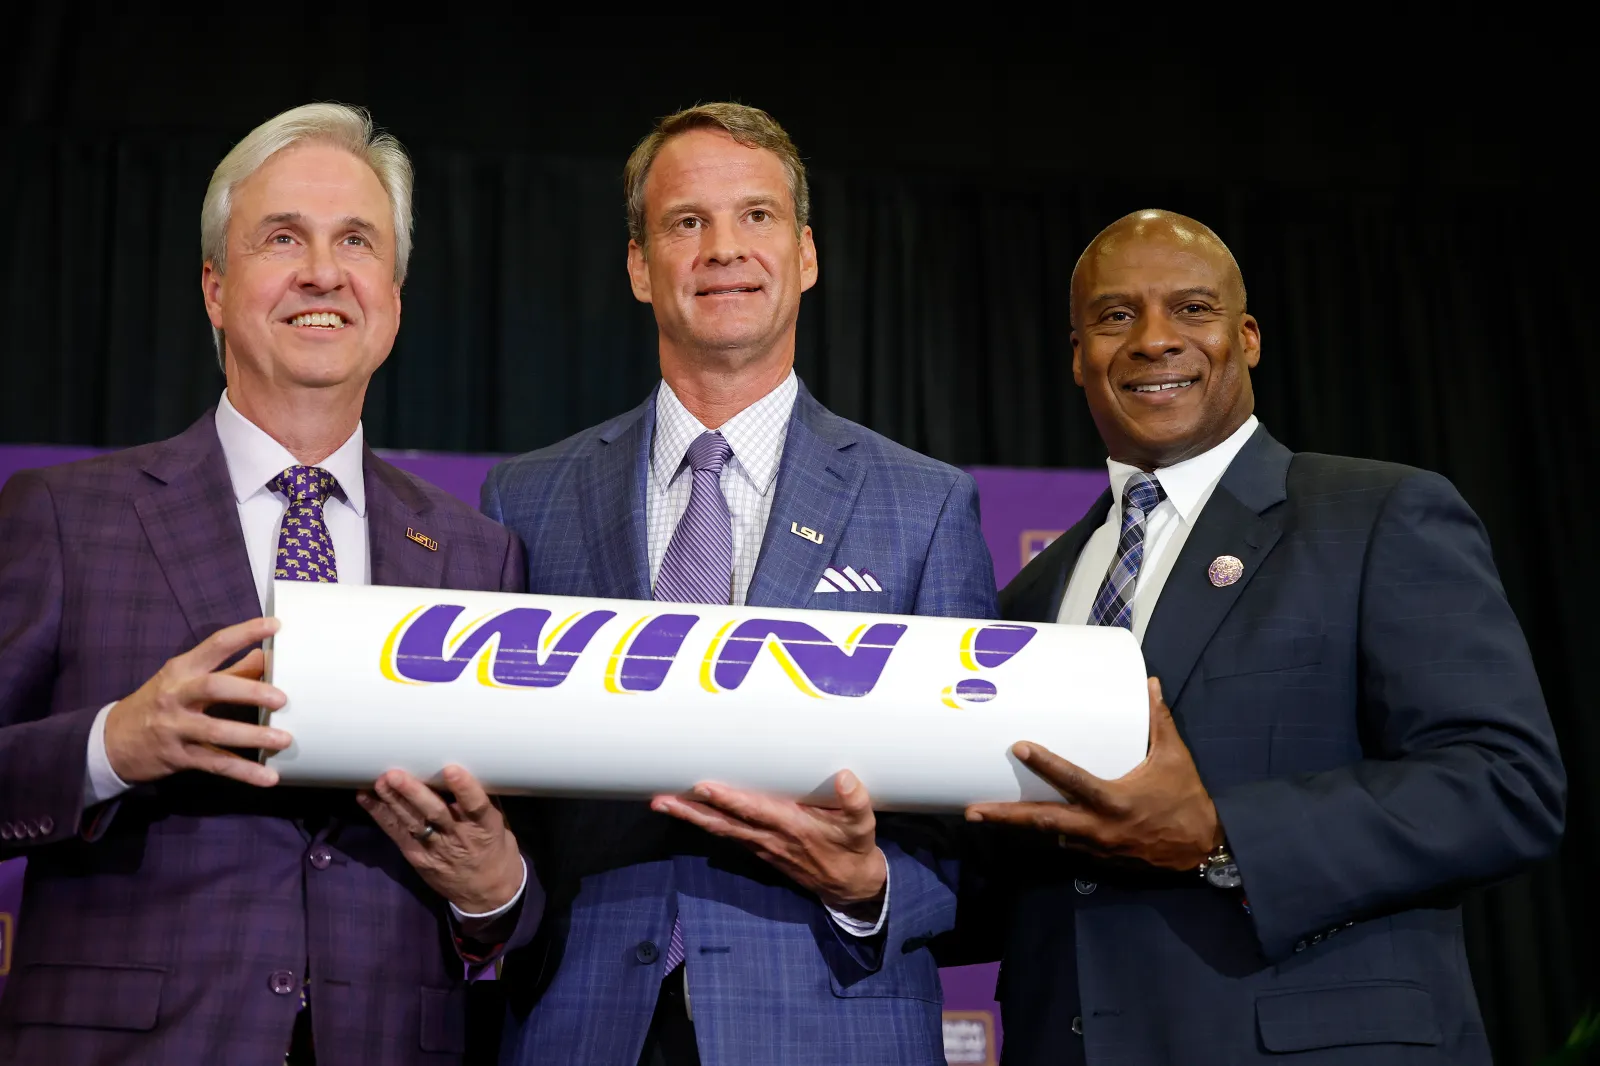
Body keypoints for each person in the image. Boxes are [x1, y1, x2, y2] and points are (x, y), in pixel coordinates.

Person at [946, 210, 1565, 1065]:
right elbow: (1012, 870)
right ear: (1078, 354)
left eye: (1192, 309)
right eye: (1116, 316)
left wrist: (1220, 833)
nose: (1154, 341)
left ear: (1248, 338)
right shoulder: (1028, 598)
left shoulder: (1379, 516)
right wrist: (868, 879)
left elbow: (1506, 786)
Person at [0, 103, 530, 1066]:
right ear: (213, 286)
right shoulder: (64, 516)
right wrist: (113, 743)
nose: (323, 271)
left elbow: (514, 888)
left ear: (395, 300)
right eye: (283, 237)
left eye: (356, 242)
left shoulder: (478, 555)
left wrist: (492, 887)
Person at [482, 103, 998, 1065]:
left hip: (827, 1023)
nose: (724, 248)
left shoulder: (924, 506)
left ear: (806, 256)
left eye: (756, 217)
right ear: (640, 267)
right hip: (578, 1026)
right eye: (688, 222)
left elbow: (972, 822)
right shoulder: (528, 498)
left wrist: (868, 883)